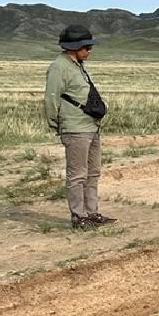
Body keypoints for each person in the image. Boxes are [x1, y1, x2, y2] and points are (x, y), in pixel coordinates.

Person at [45, 25, 114, 230]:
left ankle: (91, 213)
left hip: (91, 127)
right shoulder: (59, 67)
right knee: (77, 174)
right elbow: (51, 98)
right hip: (75, 128)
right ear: (74, 47)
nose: (90, 51)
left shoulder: (78, 65)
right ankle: (79, 216)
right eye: (86, 47)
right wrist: (56, 124)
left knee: (93, 173)